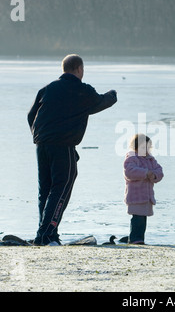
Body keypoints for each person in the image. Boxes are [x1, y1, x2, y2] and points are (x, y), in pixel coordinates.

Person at [27, 54, 117, 246]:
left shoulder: (47, 89)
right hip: (63, 145)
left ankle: (49, 234)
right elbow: (100, 102)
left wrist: (38, 136)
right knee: (61, 188)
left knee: (46, 190)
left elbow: (31, 115)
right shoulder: (81, 90)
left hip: (41, 145)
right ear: (79, 69)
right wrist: (113, 94)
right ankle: (44, 234)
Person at [123, 134, 164, 244]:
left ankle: (139, 239)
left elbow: (159, 171)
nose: (145, 150)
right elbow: (129, 172)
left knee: (143, 219)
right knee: (137, 218)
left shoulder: (150, 159)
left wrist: (154, 175)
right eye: (142, 147)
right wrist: (145, 173)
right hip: (135, 195)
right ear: (136, 147)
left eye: (147, 147)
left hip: (147, 196)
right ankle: (135, 239)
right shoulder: (131, 158)